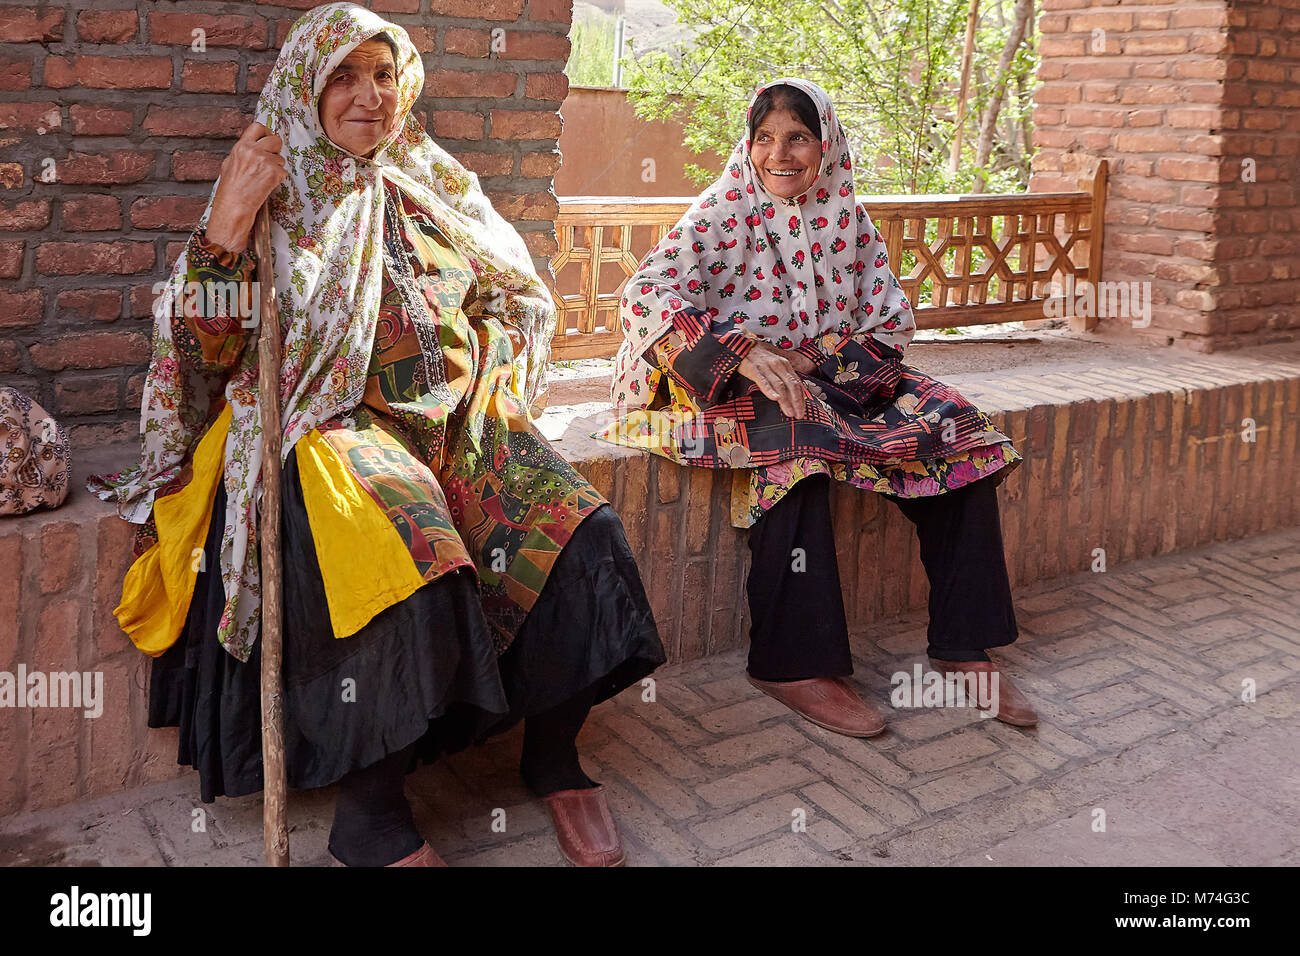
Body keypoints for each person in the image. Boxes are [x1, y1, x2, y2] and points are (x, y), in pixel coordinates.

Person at [88, 2, 664, 867]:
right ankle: (372, 821)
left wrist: (493, 369)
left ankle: (553, 758)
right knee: (409, 560)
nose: (370, 97)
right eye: (345, 77)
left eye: (384, 75)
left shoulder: (431, 177)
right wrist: (228, 227)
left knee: (586, 536)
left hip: (460, 420)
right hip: (332, 424)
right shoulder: (270, 195)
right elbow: (202, 359)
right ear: (306, 88)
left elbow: (514, 294)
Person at [596, 77, 1036, 736]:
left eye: (798, 137)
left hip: (828, 376)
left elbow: (890, 321)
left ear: (824, 144)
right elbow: (643, 297)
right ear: (748, 145)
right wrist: (742, 353)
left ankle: (962, 645)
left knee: (956, 427)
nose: (781, 153)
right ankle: (791, 662)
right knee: (793, 445)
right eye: (765, 137)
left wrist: (810, 362)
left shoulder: (846, 218)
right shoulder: (723, 212)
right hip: (712, 384)